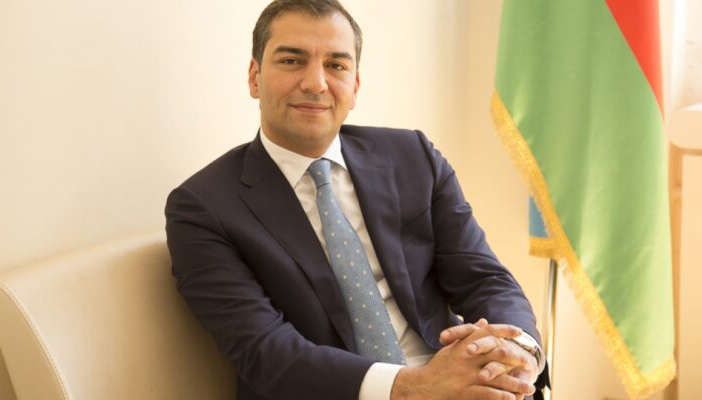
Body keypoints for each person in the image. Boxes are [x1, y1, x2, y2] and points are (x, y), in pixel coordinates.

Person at [165, 1, 549, 399]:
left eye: (336, 65)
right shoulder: (203, 208)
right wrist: (416, 387)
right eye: (292, 61)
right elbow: (265, 353)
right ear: (254, 77)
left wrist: (517, 352)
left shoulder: (413, 157)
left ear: (355, 86)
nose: (316, 83)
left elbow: (484, 278)